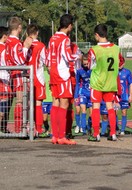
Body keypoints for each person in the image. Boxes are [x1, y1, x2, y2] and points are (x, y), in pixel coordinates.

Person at [88, 24, 124, 141]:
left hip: (97, 82)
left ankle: (96, 134)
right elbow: (121, 63)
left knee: (96, 107)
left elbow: (89, 65)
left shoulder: (94, 49)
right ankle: (113, 133)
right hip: (111, 82)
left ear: (97, 35)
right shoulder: (116, 48)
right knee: (110, 107)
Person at [47, 14, 78, 145]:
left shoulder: (52, 38)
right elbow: (68, 57)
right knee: (64, 104)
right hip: (62, 73)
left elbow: (48, 57)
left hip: (53, 72)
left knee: (55, 102)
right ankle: (61, 136)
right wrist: (78, 57)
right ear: (69, 25)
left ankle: (55, 135)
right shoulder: (65, 39)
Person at [6, 17, 33, 133]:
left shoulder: (6, 41)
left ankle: (16, 127)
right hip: (17, 74)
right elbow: (20, 60)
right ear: (19, 28)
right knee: (20, 101)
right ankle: (19, 128)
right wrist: (26, 48)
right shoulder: (16, 43)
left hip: (9, 74)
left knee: (12, 101)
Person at [25, 24, 47, 137]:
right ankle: (39, 128)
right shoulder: (41, 45)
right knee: (38, 103)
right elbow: (46, 60)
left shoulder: (24, 44)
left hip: (26, 78)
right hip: (38, 77)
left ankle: (27, 126)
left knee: (27, 103)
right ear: (37, 33)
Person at [74, 53, 92, 135]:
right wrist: (76, 95)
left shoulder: (93, 70)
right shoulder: (79, 71)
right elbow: (77, 83)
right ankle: (83, 129)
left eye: (87, 63)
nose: (85, 65)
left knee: (91, 113)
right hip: (83, 93)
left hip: (91, 93)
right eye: (84, 64)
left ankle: (89, 128)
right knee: (83, 110)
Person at [0, 26, 11, 133]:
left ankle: (3, 128)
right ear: (4, 36)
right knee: (3, 106)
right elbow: (6, 63)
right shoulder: (4, 49)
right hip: (3, 79)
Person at [118, 58, 132, 135]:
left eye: (121, 63)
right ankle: (115, 128)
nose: (119, 65)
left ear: (124, 63)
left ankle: (122, 130)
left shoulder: (127, 72)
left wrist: (131, 95)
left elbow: (131, 84)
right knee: (114, 113)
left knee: (124, 112)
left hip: (124, 96)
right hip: (116, 97)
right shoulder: (113, 71)